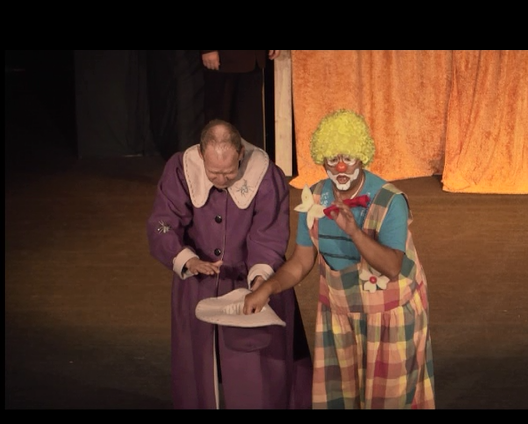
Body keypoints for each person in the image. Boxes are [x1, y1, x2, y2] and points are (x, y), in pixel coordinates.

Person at [244, 109, 435, 409]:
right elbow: (301, 262)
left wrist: (354, 232)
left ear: (362, 157)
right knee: (341, 401)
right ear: (323, 161)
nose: (342, 166)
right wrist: (266, 288)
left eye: (349, 157)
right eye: (333, 159)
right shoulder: (314, 200)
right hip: (339, 317)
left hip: (388, 318)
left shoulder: (390, 201)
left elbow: (392, 267)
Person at [146, 118, 313, 409]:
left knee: (255, 373)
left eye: (229, 172)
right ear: (201, 155)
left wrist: (261, 279)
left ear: (240, 154)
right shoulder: (180, 170)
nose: (221, 180)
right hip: (198, 281)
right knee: (199, 366)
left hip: (250, 281)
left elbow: (269, 233)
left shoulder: (266, 174)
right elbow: (163, 223)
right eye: (213, 173)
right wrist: (188, 260)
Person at [200, 50, 280, 151]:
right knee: (219, 127)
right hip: (223, 62)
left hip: (254, 60)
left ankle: (250, 160)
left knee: (250, 128)